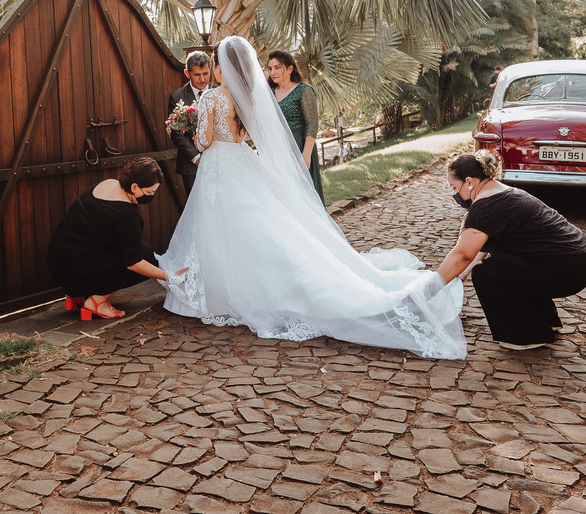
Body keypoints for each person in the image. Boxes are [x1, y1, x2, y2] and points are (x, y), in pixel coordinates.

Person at [160, 36, 466, 359]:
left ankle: (222, 293)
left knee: (222, 229)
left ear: (222, 66)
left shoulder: (211, 98)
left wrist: (197, 131)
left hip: (218, 167)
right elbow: (243, 136)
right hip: (241, 161)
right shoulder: (247, 96)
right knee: (255, 226)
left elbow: (206, 140)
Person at [435, 152, 586, 350]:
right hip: (581, 258)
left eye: (454, 188)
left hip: (567, 266)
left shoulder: (486, 205)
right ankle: (545, 321)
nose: (454, 195)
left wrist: (432, 286)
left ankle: (529, 334)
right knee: (507, 262)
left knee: (487, 274)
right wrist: (462, 273)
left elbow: (462, 254)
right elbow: (481, 246)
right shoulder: (502, 192)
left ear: (469, 181)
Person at [47, 157, 174, 320]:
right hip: (76, 270)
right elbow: (134, 263)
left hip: (58, 264)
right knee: (146, 255)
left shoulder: (107, 184)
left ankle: (75, 295)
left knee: (121, 249)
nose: (151, 196)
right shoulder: (128, 215)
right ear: (134, 186)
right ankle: (97, 302)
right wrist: (169, 277)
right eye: (150, 192)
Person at [266, 50, 324, 202]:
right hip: (277, 149)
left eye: (277, 67)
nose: (273, 72)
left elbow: (312, 124)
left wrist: (305, 155)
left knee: (303, 195)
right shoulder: (268, 93)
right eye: (270, 68)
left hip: (299, 146)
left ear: (290, 69)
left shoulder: (304, 90)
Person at [167, 51, 214, 197]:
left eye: (205, 73)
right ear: (187, 73)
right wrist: (196, 158)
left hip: (217, 159)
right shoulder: (177, 97)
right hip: (190, 165)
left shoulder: (219, 92)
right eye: (197, 75)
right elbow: (176, 132)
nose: (202, 79)